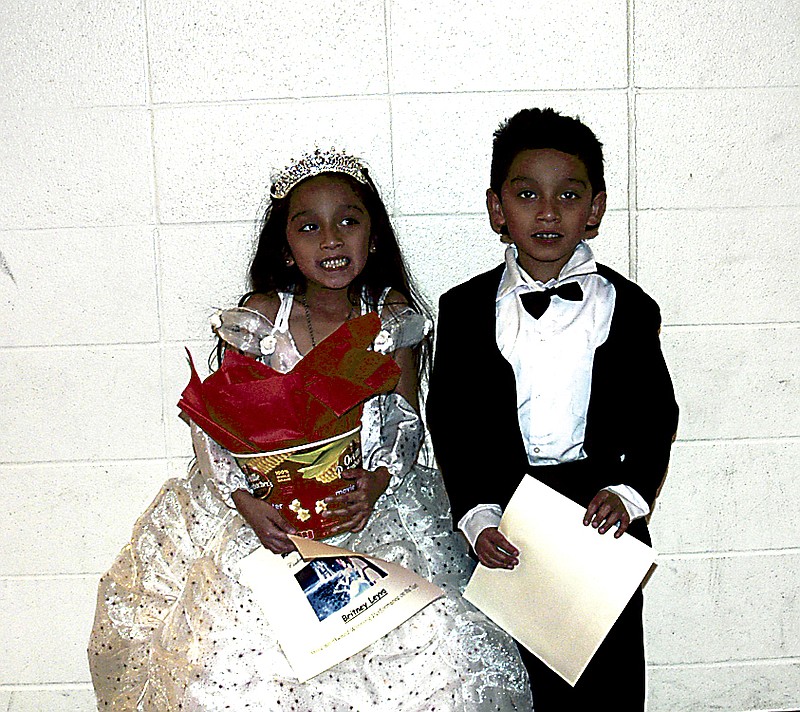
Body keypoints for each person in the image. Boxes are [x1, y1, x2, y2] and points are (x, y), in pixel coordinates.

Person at [88, 148, 532, 711]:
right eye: (310, 227)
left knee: (434, 653)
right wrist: (242, 498)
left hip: (366, 505)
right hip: (265, 513)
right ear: (286, 248)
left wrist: (376, 481)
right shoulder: (259, 317)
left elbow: (403, 415)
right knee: (226, 658)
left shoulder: (392, 316)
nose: (331, 240)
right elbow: (223, 423)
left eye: (348, 222)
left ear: (373, 239)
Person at [426, 108, 679, 711]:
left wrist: (629, 492)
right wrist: (478, 515)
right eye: (526, 194)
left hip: (599, 515)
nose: (547, 212)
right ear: (497, 209)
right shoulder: (461, 309)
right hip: (507, 510)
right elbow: (452, 420)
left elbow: (655, 414)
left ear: (594, 209)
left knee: (607, 681)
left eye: (568, 195)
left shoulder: (632, 307)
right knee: (515, 682)